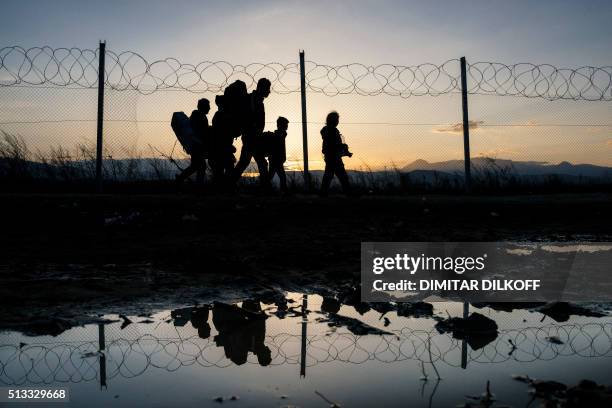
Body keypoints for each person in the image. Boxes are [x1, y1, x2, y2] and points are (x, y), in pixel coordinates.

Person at [231, 78, 272, 188]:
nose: (269, 91)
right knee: (260, 162)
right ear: (261, 88)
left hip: (253, 136)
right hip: (251, 136)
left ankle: (229, 183)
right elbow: (248, 118)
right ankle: (266, 187)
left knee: (245, 162)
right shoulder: (252, 100)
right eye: (267, 88)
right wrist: (254, 131)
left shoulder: (256, 100)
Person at [176, 98, 210, 184]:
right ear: (203, 107)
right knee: (201, 166)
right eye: (208, 106)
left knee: (196, 166)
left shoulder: (200, 115)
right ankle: (198, 187)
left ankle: (180, 179)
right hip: (197, 145)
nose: (209, 108)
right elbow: (198, 131)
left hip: (198, 145)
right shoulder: (198, 116)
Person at [320, 111, 352, 196]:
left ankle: (323, 192)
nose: (338, 121)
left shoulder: (329, 131)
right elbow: (333, 145)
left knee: (329, 175)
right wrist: (343, 147)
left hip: (331, 156)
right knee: (341, 175)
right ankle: (347, 192)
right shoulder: (332, 131)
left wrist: (343, 149)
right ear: (332, 120)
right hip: (333, 157)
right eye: (336, 120)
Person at [209, 95, 237, 187]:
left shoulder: (220, 115)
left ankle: (222, 187)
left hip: (221, 147)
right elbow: (223, 133)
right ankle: (225, 187)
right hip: (222, 147)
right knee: (224, 169)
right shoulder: (222, 116)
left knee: (221, 170)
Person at [266, 116, 289, 194]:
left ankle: (265, 188)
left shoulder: (279, 134)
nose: (287, 126)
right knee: (281, 176)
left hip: (275, 159)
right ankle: (283, 190)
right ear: (281, 125)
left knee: (271, 175)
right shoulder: (279, 135)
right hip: (276, 159)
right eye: (286, 125)